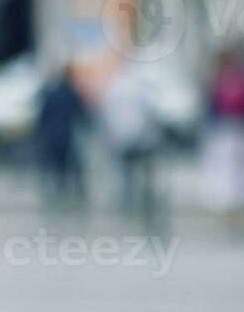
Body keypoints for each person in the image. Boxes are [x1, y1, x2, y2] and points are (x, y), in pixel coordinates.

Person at [199, 46, 244, 234]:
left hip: (234, 131)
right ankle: (232, 213)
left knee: (237, 175)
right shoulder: (225, 79)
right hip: (229, 131)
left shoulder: (234, 79)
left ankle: (235, 213)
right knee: (232, 175)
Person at [100, 65, 160, 223]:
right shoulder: (141, 91)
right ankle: (145, 203)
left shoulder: (113, 90)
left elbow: (107, 115)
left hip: (121, 137)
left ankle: (127, 205)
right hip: (140, 138)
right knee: (143, 173)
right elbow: (150, 113)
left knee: (125, 173)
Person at [33, 62, 88, 213]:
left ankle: (53, 198)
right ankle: (71, 197)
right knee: (69, 169)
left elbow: (42, 117)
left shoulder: (51, 93)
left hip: (50, 137)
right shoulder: (71, 93)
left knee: (52, 168)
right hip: (66, 137)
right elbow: (83, 116)